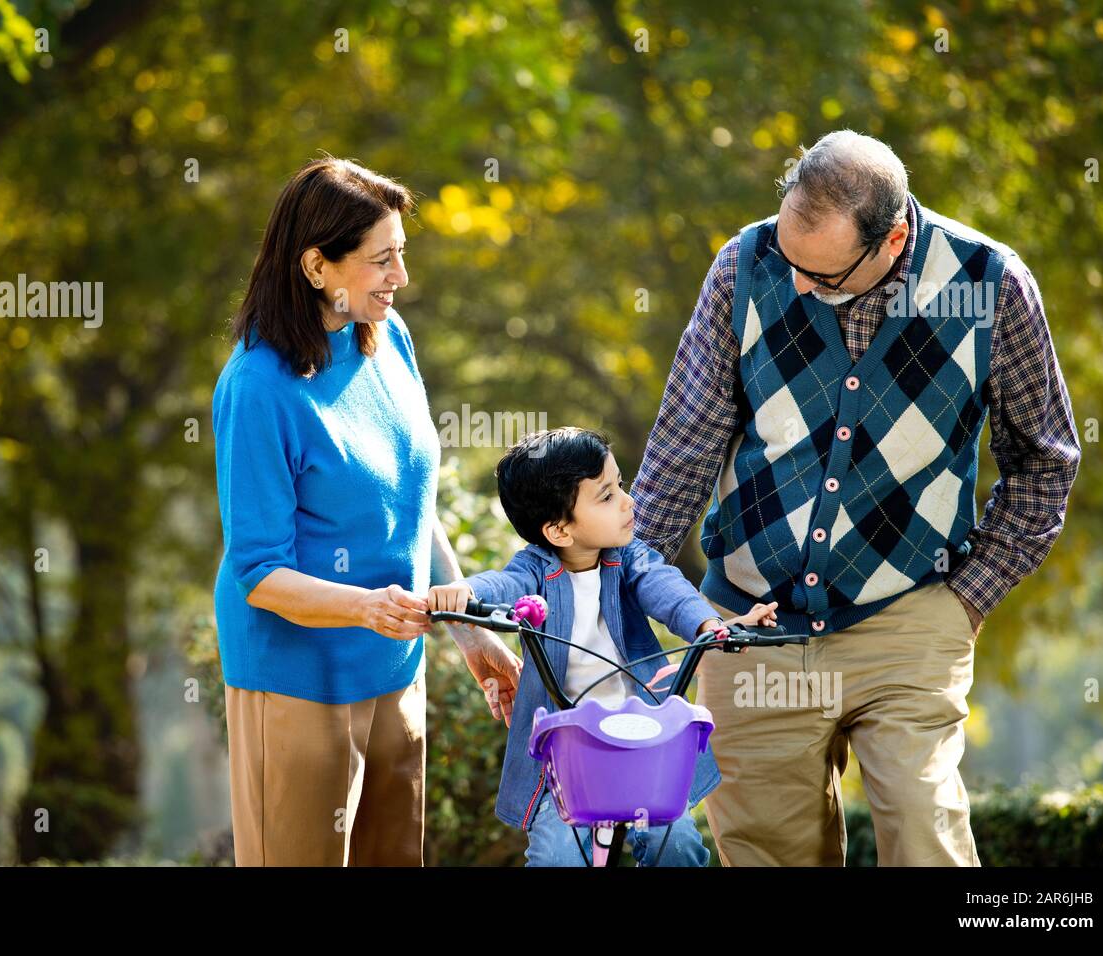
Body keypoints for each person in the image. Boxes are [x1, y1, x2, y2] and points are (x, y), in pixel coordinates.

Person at [630, 129, 1081, 865]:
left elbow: (1044, 463)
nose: (803, 286)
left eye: (827, 277)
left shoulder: (990, 286)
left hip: (908, 612)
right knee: (768, 855)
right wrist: (620, 587)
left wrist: (966, 599)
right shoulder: (743, 266)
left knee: (923, 831)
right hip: (749, 623)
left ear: (894, 238)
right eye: (793, 263)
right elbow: (683, 450)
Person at [213, 156, 521, 866]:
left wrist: (465, 631)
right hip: (298, 689)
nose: (400, 279)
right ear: (317, 266)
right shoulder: (257, 388)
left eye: (400, 256)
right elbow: (258, 572)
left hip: (393, 675)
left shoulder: (386, 339)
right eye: (381, 261)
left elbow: (413, 505)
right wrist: (364, 608)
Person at [428, 426, 778, 866]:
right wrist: (463, 591)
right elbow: (504, 584)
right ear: (558, 530)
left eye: (621, 486)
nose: (628, 502)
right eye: (607, 496)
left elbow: (665, 589)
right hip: (567, 755)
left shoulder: (629, 559)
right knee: (558, 856)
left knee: (679, 846)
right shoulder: (535, 570)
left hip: (642, 746)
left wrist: (707, 624)